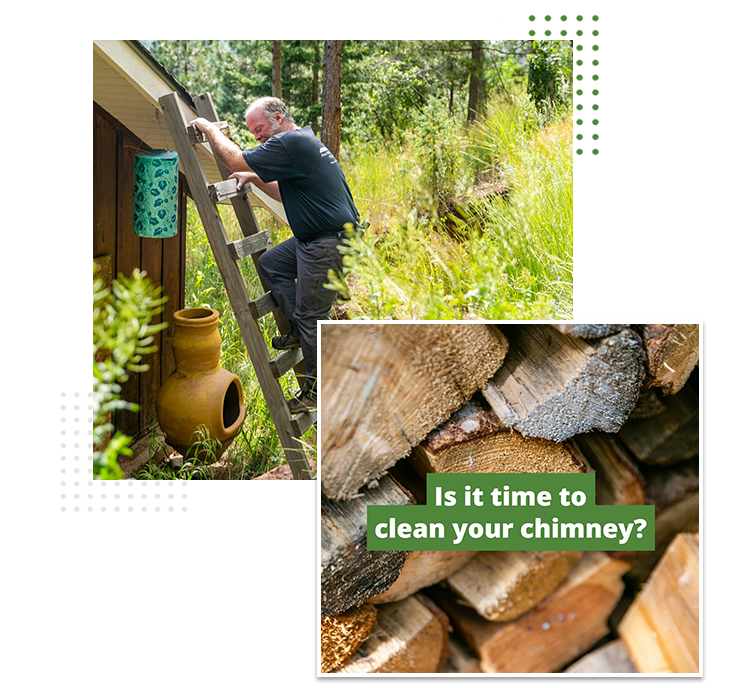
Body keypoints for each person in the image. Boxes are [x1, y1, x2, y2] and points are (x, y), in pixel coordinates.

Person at [189, 97, 360, 414]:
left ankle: (318, 392)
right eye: (252, 132)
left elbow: (236, 160)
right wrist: (255, 179)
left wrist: (209, 128)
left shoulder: (290, 141)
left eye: (259, 129)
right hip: (318, 239)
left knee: (313, 317)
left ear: (279, 117)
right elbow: (285, 191)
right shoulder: (300, 142)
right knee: (271, 264)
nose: (257, 136)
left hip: (327, 242)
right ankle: (300, 330)